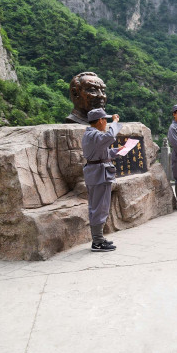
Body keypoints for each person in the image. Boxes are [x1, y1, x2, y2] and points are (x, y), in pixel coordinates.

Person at [82, 108, 124, 252]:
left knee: (98, 206)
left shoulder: (91, 135)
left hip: (96, 173)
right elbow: (110, 136)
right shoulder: (94, 135)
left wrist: (118, 150)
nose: (106, 123)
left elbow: (102, 153)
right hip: (99, 175)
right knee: (99, 207)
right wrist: (115, 122)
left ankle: (98, 238)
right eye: (106, 120)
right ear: (100, 120)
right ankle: (98, 241)